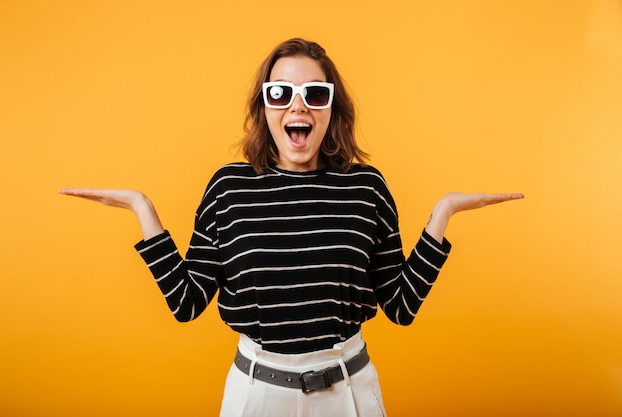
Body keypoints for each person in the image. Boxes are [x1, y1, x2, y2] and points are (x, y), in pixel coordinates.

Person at [61, 38, 523, 417]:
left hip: (351, 394)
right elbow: (186, 304)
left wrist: (441, 215)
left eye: (314, 94)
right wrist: (144, 211)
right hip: (257, 396)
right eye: (280, 93)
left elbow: (400, 307)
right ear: (264, 107)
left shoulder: (366, 187)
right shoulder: (229, 188)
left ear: (330, 108)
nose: (296, 105)